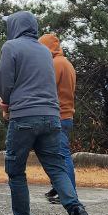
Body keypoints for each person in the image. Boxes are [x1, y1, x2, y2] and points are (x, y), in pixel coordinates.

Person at [0, 11, 91, 215]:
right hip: (52, 117)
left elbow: (5, 82)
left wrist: (5, 102)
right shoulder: (45, 51)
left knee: (16, 170)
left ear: (16, 26)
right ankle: (76, 209)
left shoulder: (11, 47)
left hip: (24, 117)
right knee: (57, 168)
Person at [39, 32, 76, 205]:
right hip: (66, 115)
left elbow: (45, 87)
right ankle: (58, 187)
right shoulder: (66, 63)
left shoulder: (55, 64)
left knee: (61, 156)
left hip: (58, 116)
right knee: (55, 155)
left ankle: (69, 193)